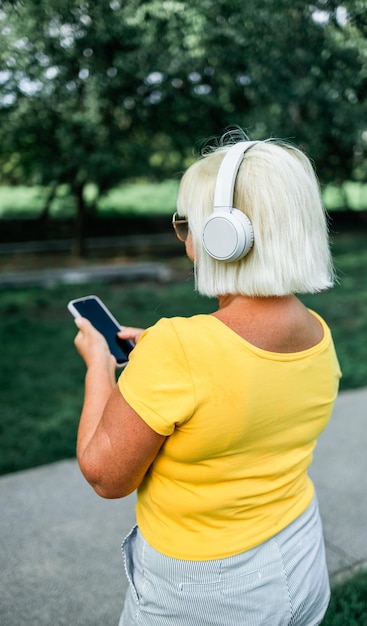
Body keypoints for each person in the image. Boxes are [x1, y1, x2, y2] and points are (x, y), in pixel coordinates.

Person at [72, 132, 341, 626]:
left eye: (186, 224)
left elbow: (104, 475)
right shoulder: (317, 332)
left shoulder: (178, 348)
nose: (185, 236)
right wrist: (163, 360)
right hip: (300, 555)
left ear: (224, 234)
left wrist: (99, 368)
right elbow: (246, 384)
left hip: (207, 591)